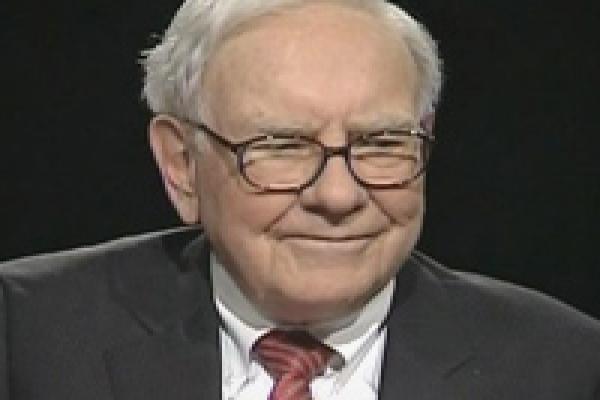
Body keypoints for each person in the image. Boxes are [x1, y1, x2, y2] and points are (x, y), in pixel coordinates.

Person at [1, 0, 599, 399]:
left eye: (381, 143)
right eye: (281, 146)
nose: (338, 195)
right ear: (181, 165)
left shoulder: (563, 368)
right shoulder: (24, 339)